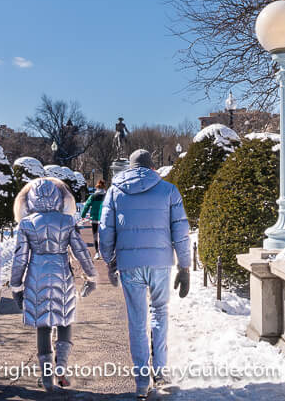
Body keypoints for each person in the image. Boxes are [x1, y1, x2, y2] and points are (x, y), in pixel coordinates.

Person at [99, 149, 191, 399]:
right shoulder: (169, 190)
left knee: (137, 320)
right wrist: (184, 266)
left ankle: (142, 381)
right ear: (152, 168)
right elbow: (181, 232)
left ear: (130, 168)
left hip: (130, 264)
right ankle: (160, 371)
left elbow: (106, 230)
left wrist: (109, 261)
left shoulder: (115, 191)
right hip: (160, 263)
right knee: (159, 312)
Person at [11, 177, 97, 391]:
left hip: (36, 276)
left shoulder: (27, 224)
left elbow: (20, 257)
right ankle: (62, 368)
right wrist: (91, 276)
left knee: (43, 325)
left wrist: (16, 286)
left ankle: (47, 376)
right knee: (64, 319)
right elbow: (80, 252)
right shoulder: (67, 222)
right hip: (62, 275)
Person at [80, 179, 107, 259]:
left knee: (95, 235)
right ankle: (104, 252)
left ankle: (97, 252)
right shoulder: (107, 196)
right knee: (104, 235)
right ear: (104, 187)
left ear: (97, 187)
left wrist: (83, 215)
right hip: (104, 218)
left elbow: (87, 205)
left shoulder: (93, 196)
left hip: (94, 218)